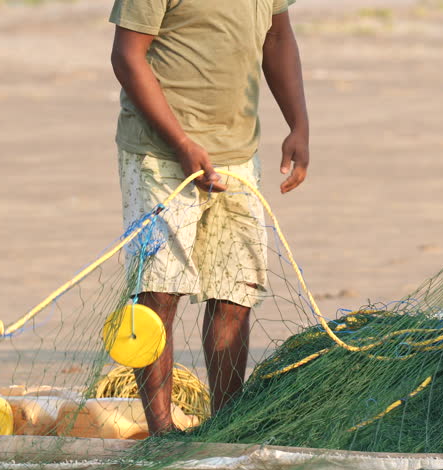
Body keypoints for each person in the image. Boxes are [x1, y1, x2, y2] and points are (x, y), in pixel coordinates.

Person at [109, 0, 310, 434]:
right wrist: (182, 144)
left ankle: (226, 426)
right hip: (160, 156)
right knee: (159, 293)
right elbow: (126, 55)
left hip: (237, 155)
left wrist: (299, 124)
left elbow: (277, 36)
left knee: (234, 294)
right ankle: (162, 434)